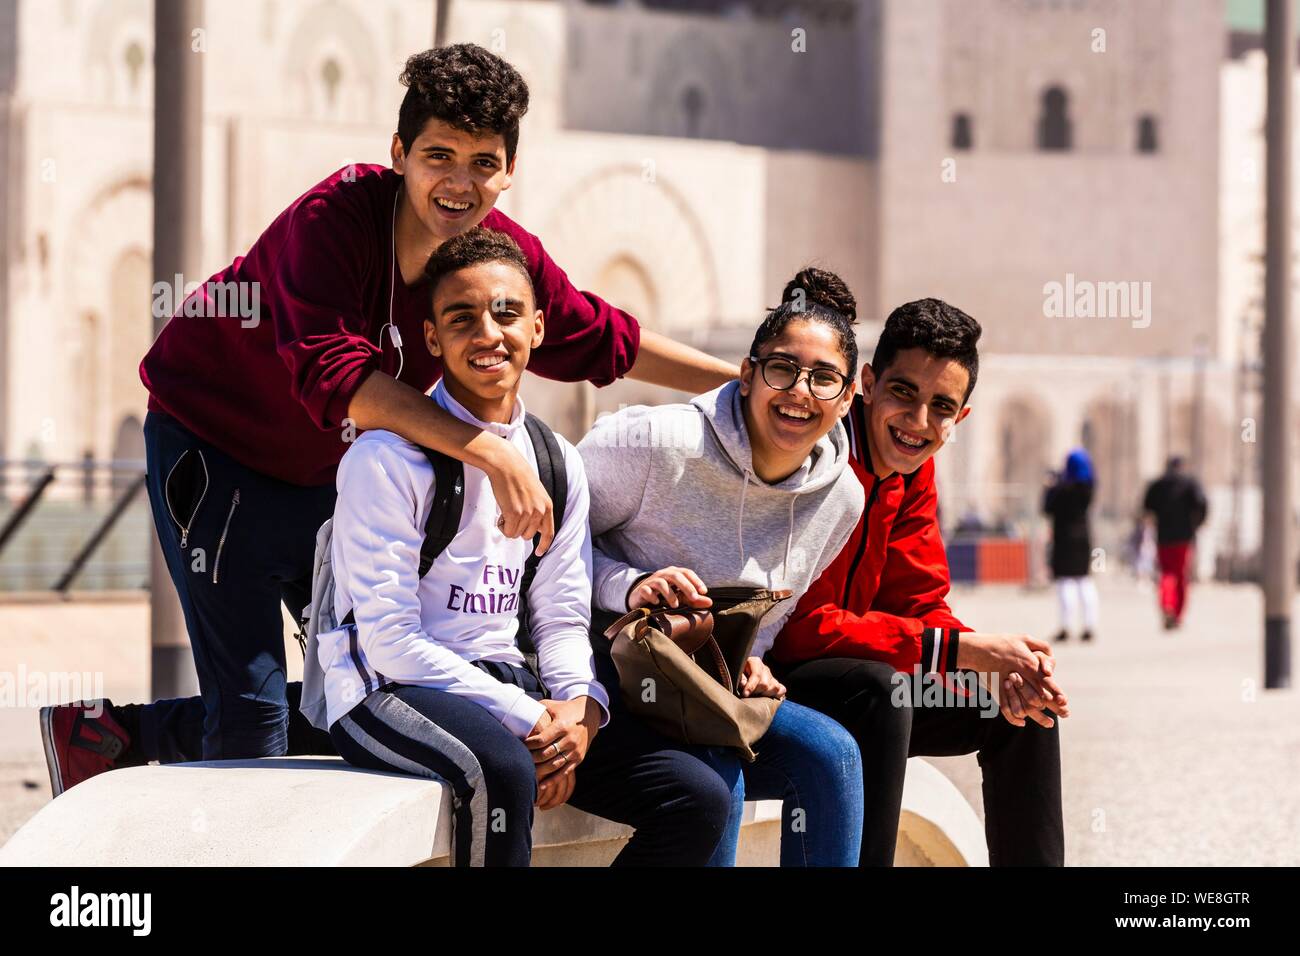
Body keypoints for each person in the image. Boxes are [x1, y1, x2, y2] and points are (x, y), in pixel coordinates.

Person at [40, 44, 736, 797]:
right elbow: (337, 379)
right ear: (400, 152)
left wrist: (750, 384)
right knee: (251, 723)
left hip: (327, 478)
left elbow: (605, 336)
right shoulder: (331, 221)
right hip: (218, 454)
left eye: (483, 162)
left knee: (366, 688)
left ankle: (110, 735)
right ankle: (134, 762)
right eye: (439, 155)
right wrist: (497, 458)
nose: (459, 182)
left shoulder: (497, 261)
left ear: (509, 171)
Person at [319, 229, 730, 866]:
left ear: (538, 328)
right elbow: (388, 642)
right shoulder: (386, 459)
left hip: (507, 685)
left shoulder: (556, 460)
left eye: (507, 313)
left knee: (696, 797)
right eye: (462, 318)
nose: (488, 333)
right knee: (506, 773)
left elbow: (560, 615)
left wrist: (578, 712)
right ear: (433, 339)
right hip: (386, 689)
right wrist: (530, 721)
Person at [578, 268, 867, 867]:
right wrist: (629, 586)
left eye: (824, 379)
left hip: (710, 685)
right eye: (782, 369)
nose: (800, 392)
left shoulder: (842, 499)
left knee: (834, 755)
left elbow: (771, 616)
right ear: (747, 373)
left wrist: (752, 658)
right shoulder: (653, 443)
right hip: (605, 668)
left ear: (846, 399)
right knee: (719, 777)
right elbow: (540, 549)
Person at [770, 297, 1069, 867]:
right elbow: (797, 628)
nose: (918, 422)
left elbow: (921, 602)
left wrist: (996, 666)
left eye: (942, 407)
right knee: (882, 693)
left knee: (1022, 708)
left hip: (861, 675)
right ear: (867, 383)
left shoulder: (913, 471)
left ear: (962, 418)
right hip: (775, 678)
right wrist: (958, 649)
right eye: (903, 393)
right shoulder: (822, 457)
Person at [1142, 455, 1208, 630]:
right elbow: (1202, 504)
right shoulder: (1190, 484)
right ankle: (1178, 613)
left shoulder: (1158, 485)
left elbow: (1146, 506)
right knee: (1181, 576)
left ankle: (1167, 605)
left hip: (1164, 537)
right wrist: (1197, 524)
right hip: (1184, 538)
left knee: (1166, 574)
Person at [1043, 448, 1099, 642]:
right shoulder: (1089, 487)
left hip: (1064, 539)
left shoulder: (1061, 489)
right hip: (1083, 538)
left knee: (1065, 582)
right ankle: (1089, 625)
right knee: (1084, 581)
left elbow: (1047, 508)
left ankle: (1066, 626)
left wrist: (1050, 486)